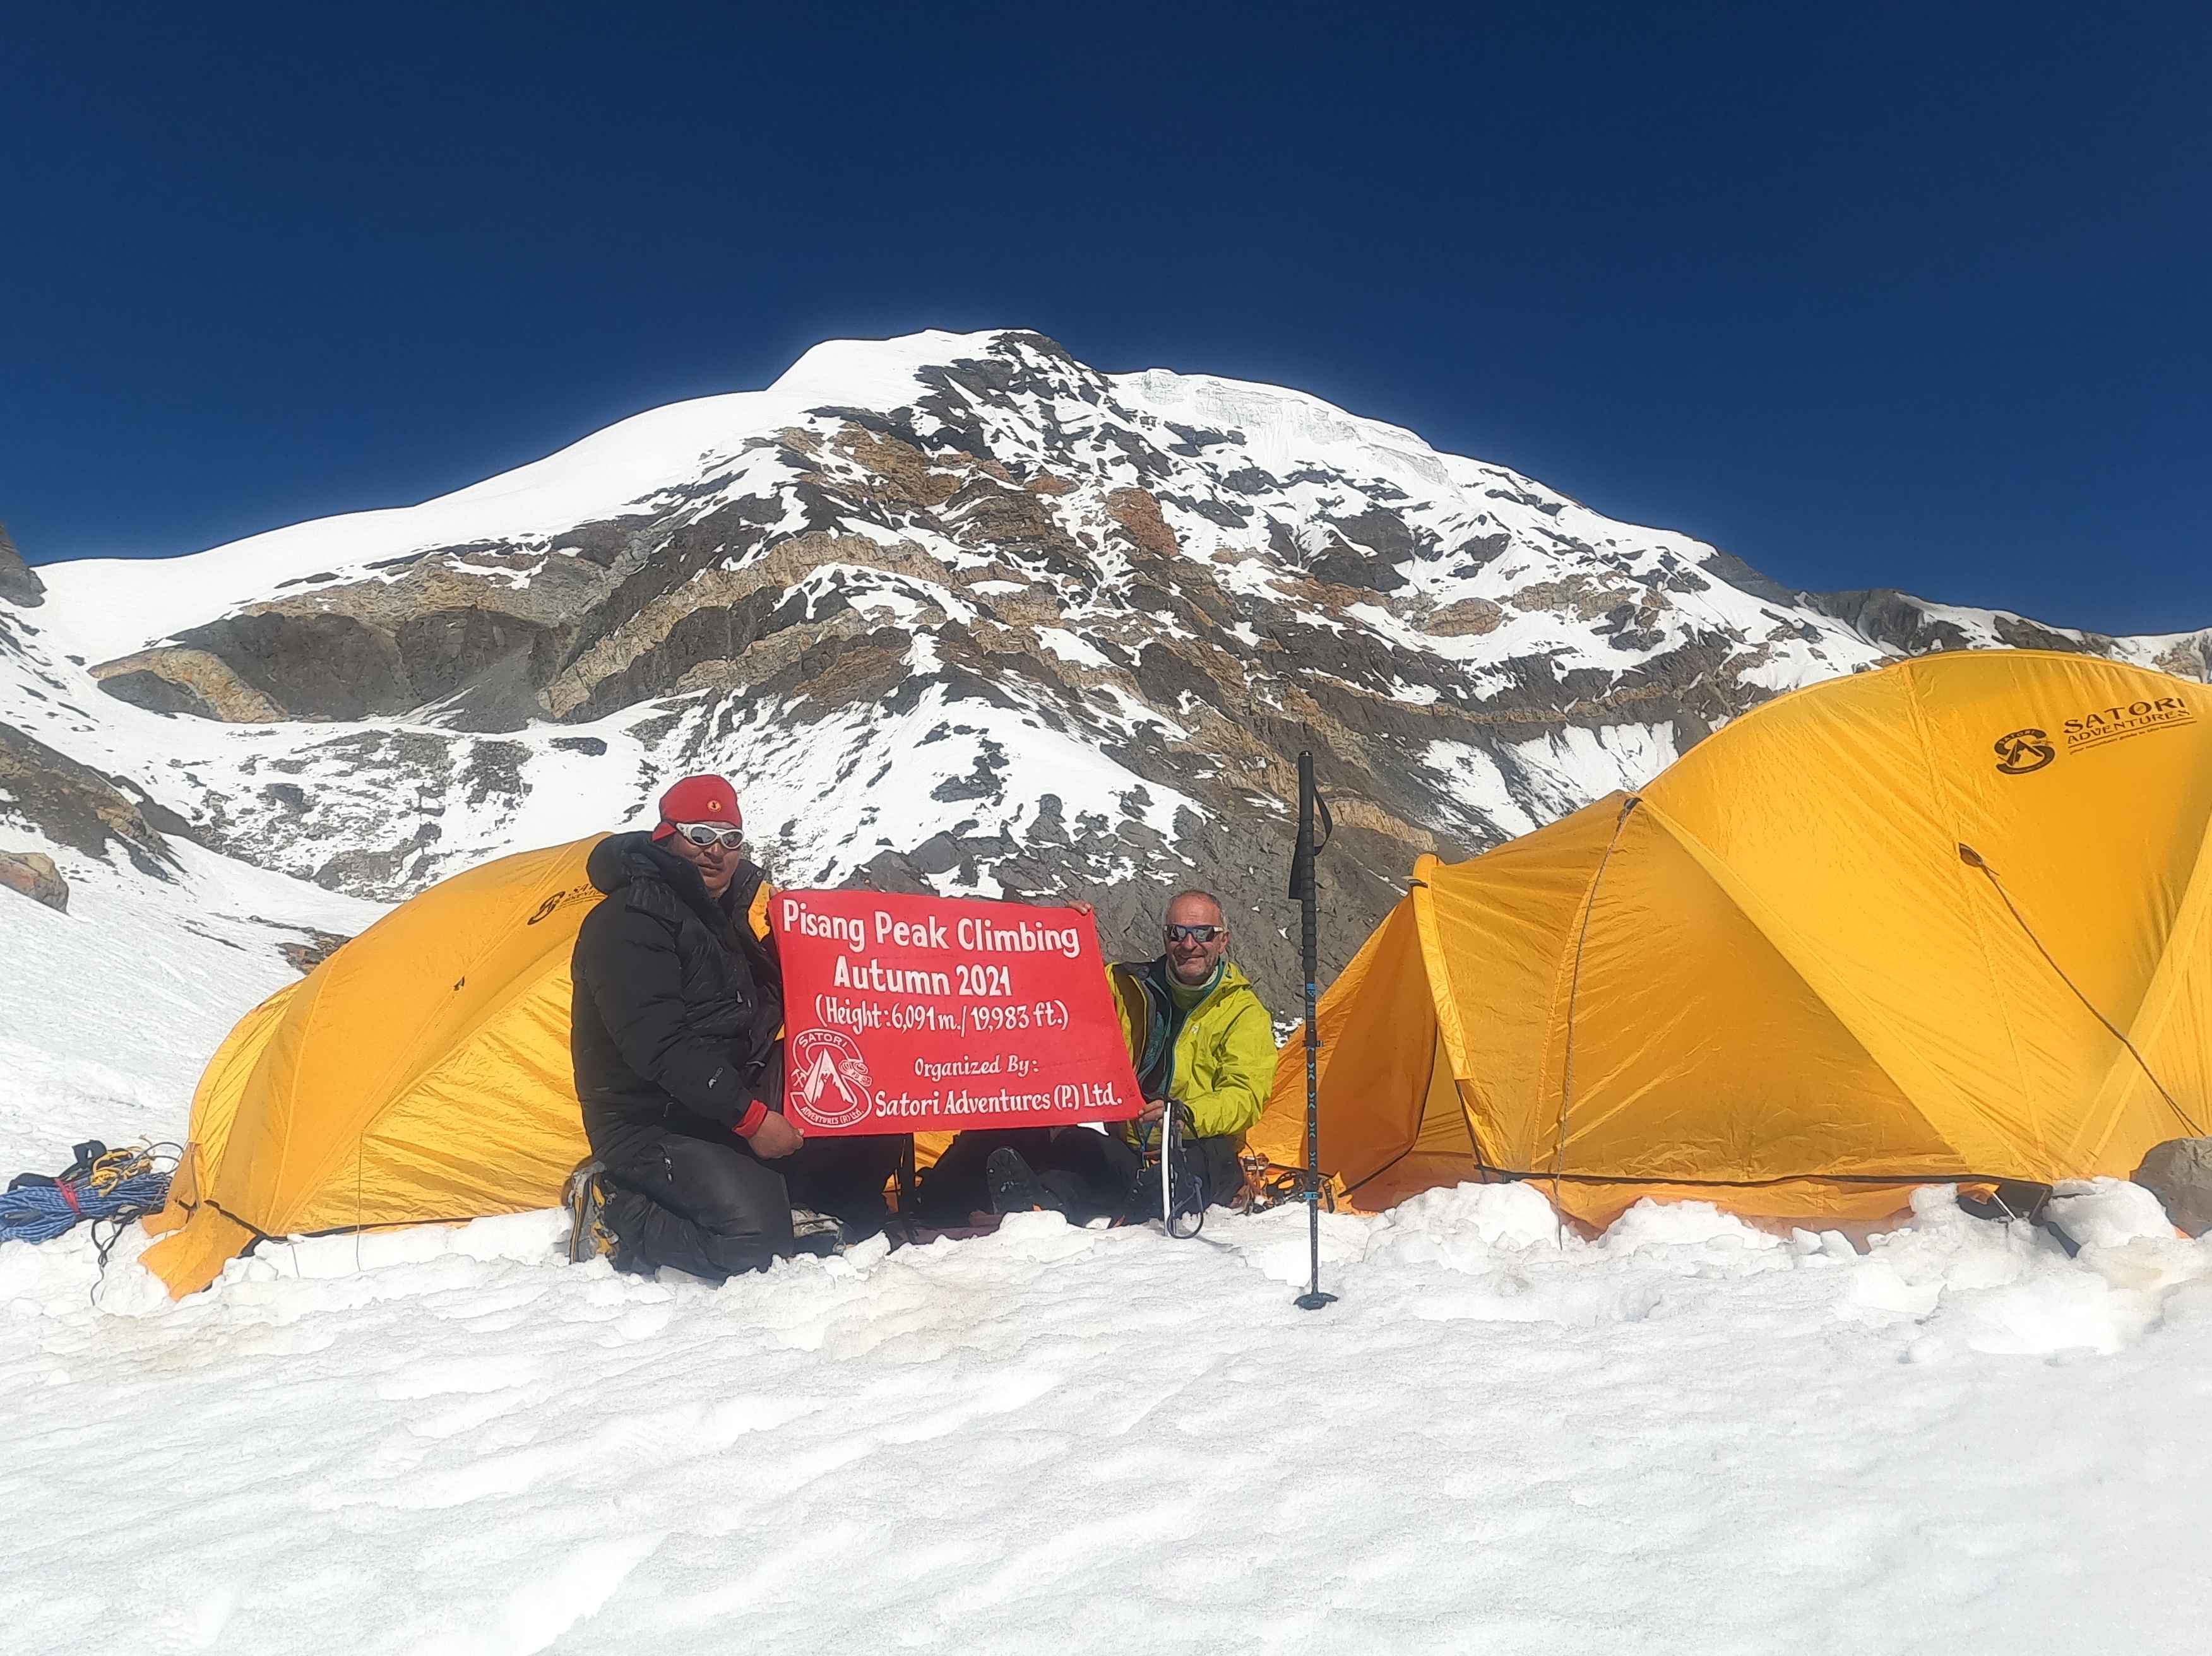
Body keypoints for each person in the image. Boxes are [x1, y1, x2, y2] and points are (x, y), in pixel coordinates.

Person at [568, 773, 905, 1279]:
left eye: (730, 839)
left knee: (868, 1111)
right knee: (755, 1243)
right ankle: (618, 1207)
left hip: (718, 1099)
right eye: (700, 835)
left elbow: (764, 995)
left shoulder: (718, 916)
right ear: (667, 835)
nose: (716, 852)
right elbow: (659, 1046)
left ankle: (812, 1210)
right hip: (649, 1122)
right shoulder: (629, 922)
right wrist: (752, 1120)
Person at [919, 889, 1277, 1226]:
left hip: (1198, 1148)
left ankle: (1104, 1200)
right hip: (1129, 1146)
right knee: (1074, 1152)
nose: (1188, 944)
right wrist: (1060, 936)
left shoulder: (1244, 1013)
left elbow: (1246, 1095)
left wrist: (1184, 1114)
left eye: (1203, 933)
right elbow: (1062, 987)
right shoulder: (1127, 984)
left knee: (1174, 1180)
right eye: (1176, 932)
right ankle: (1037, 1206)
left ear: (1223, 940)